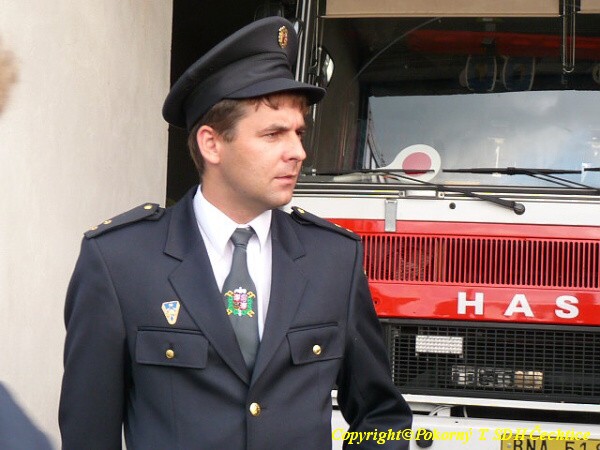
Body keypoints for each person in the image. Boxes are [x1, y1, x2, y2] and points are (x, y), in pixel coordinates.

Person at [59, 16, 412, 449]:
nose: (298, 151)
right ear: (211, 144)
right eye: (273, 134)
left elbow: (383, 416)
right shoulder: (119, 261)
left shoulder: (333, 258)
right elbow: (88, 433)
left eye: (299, 132)